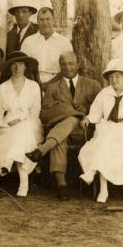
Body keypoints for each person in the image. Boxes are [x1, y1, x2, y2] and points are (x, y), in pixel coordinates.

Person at [26, 51, 101, 200]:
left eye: (71, 63)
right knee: (62, 135)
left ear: (78, 65)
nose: (67, 67)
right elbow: (45, 115)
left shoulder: (92, 85)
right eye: (64, 64)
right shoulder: (53, 88)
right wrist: (68, 111)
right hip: (62, 131)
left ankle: (42, 150)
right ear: (60, 67)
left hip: (84, 131)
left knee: (65, 127)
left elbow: (102, 108)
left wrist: (84, 112)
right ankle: (62, 185)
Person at [78, 59, 123, 204]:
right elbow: (95, 114)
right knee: (103, 142)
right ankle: (103, 189)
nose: (114, 79)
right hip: (107, 126)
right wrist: (88, 119)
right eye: (111, 76)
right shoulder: (104, 93)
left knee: (105, 143)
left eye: (117, 76)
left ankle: (92, 173)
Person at [0, 52, 43, 197]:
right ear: (9, 67)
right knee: (20, 135)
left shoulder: (33, 86)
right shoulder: (3, 87)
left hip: (31, 124)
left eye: (20, 64)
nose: (17, 67)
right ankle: (23, 182)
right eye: (13, 64)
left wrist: (21, 120)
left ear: (25, 67)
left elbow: (35, 112)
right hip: (8, 126)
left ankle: (6, 164)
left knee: (23, 129)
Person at [21, 7, 72, 87]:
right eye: (41, 20)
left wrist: (48, 85)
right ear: (37, 21)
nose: (45, 22)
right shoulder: (28, 41)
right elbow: (22, 66)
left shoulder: (64, 42)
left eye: (48, 19)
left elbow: (68, 69)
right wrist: (34, 85)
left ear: (53, 20)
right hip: (32, 84)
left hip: (57, 84)